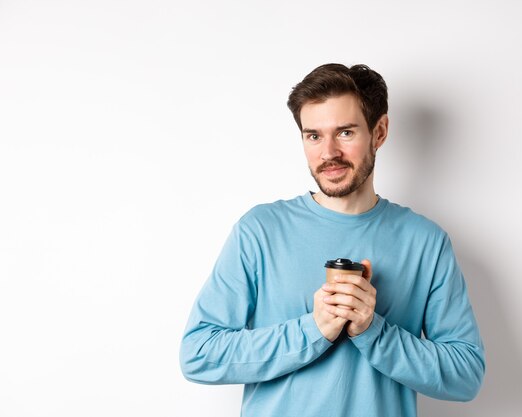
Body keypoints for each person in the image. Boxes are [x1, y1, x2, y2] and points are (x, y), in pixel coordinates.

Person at [179, 63, 485, 417]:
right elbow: (199, 354)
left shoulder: (425, 242)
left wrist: (374, 330)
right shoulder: (260, 231)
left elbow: (466, 375)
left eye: (345, 133)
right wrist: (314, 328)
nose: (328, 153)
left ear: (380, 131)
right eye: (313, 136)